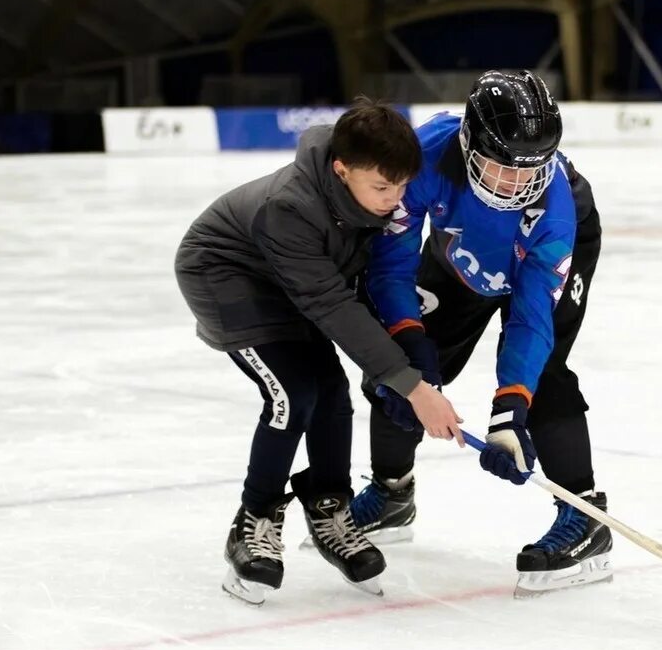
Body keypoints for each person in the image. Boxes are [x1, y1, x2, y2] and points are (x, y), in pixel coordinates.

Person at [174, 100, 464, 604]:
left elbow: (363, 286)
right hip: (227, 276)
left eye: (401, 187)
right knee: (293, 391)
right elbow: (330, 304)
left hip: (296, 283)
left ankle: (331, 507)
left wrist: (404, 370)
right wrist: (411, 385)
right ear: (341, 169)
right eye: (382, 188)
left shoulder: (371, 195)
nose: (395, 200)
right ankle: (255, 519)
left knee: (332, 394)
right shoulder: (291, 207)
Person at [352, 69, 612, 596]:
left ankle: (585, 517)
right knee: (394, 371)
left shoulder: (556, 209)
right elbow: (390, 267)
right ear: (469, 145)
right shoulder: (424, 155)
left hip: (544, 250)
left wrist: (510, 407)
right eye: (502, 168)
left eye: (532, 169)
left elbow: (532, 318)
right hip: (461, 252)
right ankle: (393, 491)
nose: (518, 185)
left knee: (546, 373)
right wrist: (409, 353)